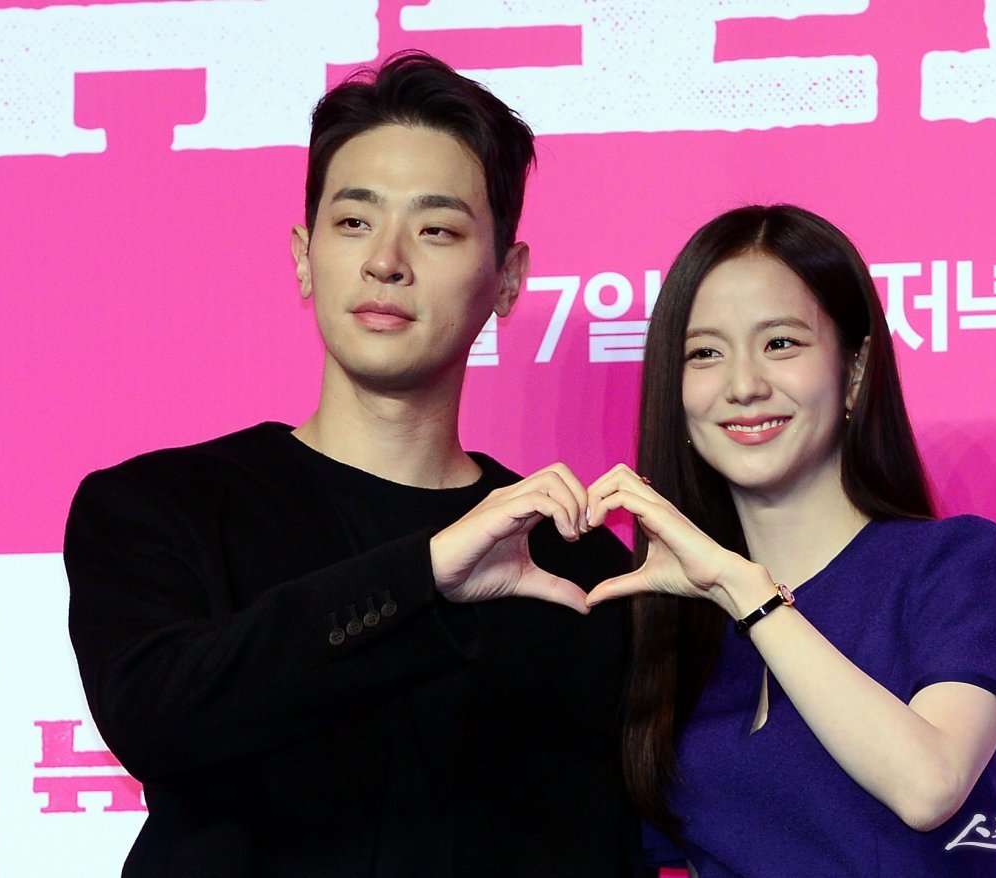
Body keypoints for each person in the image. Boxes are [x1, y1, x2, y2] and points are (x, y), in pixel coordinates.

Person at [64, 51, 639, 877]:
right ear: (304, 256)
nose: (386, 261)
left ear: (507, 280)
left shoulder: (572, 564)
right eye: (354, 222)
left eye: (437, 229)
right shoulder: (162, 507)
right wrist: (427, 575)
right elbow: (157, 717)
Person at [584, 205, 996, 876]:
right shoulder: (667, 614)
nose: (743, 386)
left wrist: (746, 593)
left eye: (781, 344)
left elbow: (929, 784)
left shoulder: (958, 566)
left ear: (854, 370)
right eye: (705, 353)